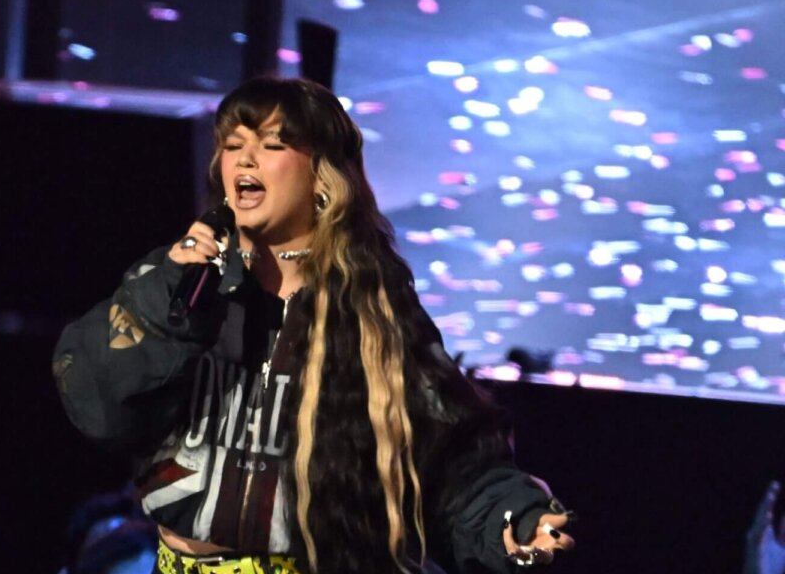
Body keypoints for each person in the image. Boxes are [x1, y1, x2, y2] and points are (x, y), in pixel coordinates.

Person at [53, 76, 575, 574]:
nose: (246, 158)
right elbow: (99, 406)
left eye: (273, 145)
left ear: (322, 178)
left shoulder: (372, 317)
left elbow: (453, 461)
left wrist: (514, 522)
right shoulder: (178, 282)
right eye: (233, 145)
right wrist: (169, 302)